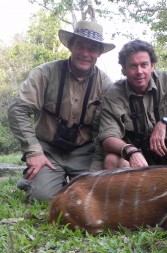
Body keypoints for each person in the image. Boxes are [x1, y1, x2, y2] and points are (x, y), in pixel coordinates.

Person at [7, 20, 115, 201]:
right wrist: (34, 151)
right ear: (70, 45)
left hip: (83, 151)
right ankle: (36, 179)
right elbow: (18, 110)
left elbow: (106, 129)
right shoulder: (45, 73)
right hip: (47, 149)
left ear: (99, 53)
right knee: (41, 197)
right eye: (80, 46)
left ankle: (59, 181)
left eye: (92, 48)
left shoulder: (106, 84)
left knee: (94, 196)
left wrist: (97, 169)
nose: (86, 53)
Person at [92, 39, 167, 170]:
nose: (139, 71)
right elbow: (108, 137)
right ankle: (138, 189)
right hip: (136, 158)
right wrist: (130, 150)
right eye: (132, 66)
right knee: (112, 160)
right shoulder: (113, 94)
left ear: (152, 66)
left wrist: (165, 123)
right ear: (124, 69)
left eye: (144, 65)